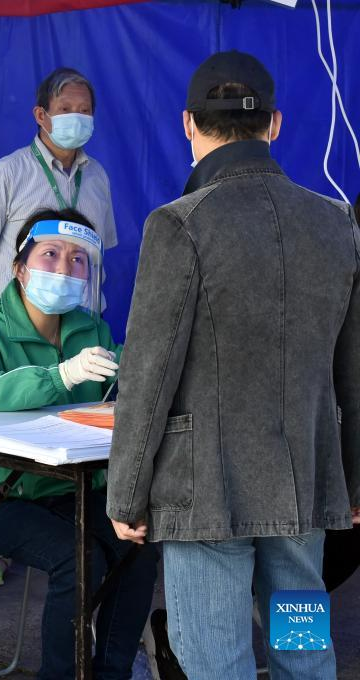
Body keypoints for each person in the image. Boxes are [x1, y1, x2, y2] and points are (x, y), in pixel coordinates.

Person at [106, 51, 360, 680]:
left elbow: (148, 374)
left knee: (215, 661)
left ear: (188, 124)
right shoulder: (337, 223)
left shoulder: (179, 224)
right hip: (304, 488)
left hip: (205, 497)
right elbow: (352, 371)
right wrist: (355, 480)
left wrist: (126, 492)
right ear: (275, 124)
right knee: (304, 650)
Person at [0, 208, 156, 680]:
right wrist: (60, 376)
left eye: (78, 260)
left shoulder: (91, 328)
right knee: (79, 557)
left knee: (140, 544)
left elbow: (120, 390)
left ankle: (111, 672)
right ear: (20, 268)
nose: (64, 268)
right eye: (51, 254)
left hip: (67, 488)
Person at [0, 67, 118, 299]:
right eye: (65, 109)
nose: (76, 117)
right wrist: (23, 294)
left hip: (86, 314)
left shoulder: (98, 176)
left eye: (84, 110)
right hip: (24, 317)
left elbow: (99, 250)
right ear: (41, 116)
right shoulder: (5, 174)